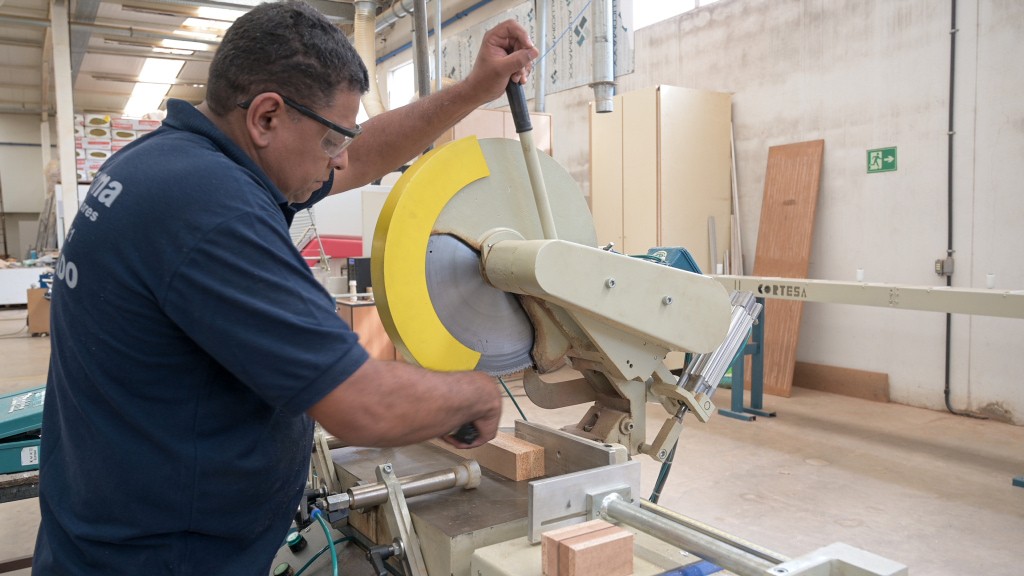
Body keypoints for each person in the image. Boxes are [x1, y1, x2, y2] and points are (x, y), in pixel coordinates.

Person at [33, 2, 538, 573]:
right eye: (329, 141)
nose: (339, 159)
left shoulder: (162, 162)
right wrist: (477, 394)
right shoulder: (210, 208)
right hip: (159, 559)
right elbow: (362, 404)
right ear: (267, 117)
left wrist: (473, 89)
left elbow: (358, 156)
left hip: (108, 530)